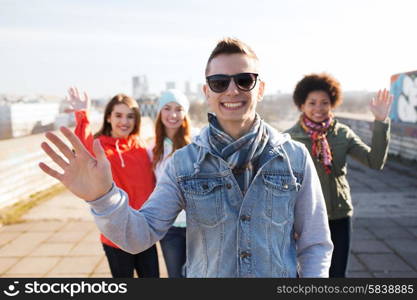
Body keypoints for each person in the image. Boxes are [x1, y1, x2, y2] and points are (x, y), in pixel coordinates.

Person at [40, 38, 333, 277]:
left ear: (261, 89)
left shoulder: (295, 157)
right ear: (207, 91)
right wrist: (102, 198)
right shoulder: (183, 164)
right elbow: (140, 235)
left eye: (245, 80)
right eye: (220, 82)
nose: (232, 90)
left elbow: (315, 243)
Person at [285, 73, 392, 277]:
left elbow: (375, 161)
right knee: (307, 274)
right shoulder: (290, 139)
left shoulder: (342, 133)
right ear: (301, 105)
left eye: (324, 102)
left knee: (338, 275)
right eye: (312, 103)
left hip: (340, 215)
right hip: (305, 220)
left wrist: (380, 121)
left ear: (332, 104)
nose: (319, 108)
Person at [65, 88, 159, 278]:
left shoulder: (142, 147)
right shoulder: (101, 149)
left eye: (130, 116)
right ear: (109, 117)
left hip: (144, 232)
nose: (124, 122)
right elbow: (84, 147)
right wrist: (82, 114)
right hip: (115, 237)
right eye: (118, 115)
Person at [151, 89, 191, 277]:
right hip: (169, 228)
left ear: (185, 114)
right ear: (160, 112)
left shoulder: (196, 145)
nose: (173, 115)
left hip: (197, 226)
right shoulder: (154, 150)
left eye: (179, 109)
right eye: (167, 108)